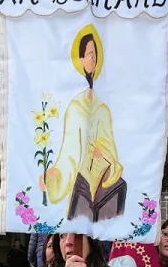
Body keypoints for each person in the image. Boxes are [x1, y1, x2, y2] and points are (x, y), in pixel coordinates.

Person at [44, 27, 127, 222]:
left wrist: (104, 156)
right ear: (80, 60)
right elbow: (69, 151)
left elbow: (109, 147)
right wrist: (55, 175)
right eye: (89, 55)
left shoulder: (103, 108)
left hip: (102, 177)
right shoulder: (75, 106)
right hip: (81, 179)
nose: (93, 60)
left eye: (95, 56)